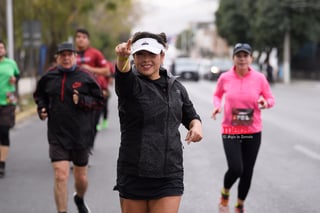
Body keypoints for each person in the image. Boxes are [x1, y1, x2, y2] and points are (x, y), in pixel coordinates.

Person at [113, 31, 203, 213]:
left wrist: (196, 126)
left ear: (162, 56)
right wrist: (122, 58)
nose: (146, 60)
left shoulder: (176, 88)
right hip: (134, 172)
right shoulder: (131, 84)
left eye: (151, 54)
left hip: (169, 173)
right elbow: (123, 73)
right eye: (140, 54)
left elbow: (191, 116)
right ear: (134, 57)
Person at [33, 42, 104, 213]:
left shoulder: (86, 76)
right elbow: (39, 95)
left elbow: (99, 101)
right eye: (62, 55)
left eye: (69, 54)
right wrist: (42, 108)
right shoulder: (48, 77)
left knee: (81, 178)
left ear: (74, 57)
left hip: (81, 134)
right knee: (60, 175)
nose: (66, 58)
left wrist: (82, 101)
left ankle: (79, 198)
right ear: (57, 57)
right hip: (57, 134)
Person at [211, 43, 275, 213]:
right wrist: (217, 106)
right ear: (233, 58)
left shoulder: (260, 78)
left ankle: (239, 205)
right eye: (238, 55)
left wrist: (265, 103)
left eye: (245, 55)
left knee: (247, 171)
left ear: (251, 58)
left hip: (252, 131)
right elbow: (217, 95)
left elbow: (270, 98)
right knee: (236, 168)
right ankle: (225, 194)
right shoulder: (225, 77)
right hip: (230, 130)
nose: (242, 59)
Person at [74, 28, 112, 137]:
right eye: (78, 37)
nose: (81, 39)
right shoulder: (70, 54)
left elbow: (107, 70)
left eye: (84, 37)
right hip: (74, 91)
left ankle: (87, 143)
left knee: (92, 122)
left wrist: (90, 69)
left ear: (88, 40)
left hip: (92, 93)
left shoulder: (95, 53)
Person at [0, 40, 20, 178]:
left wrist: (15, 79)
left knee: (4, 130)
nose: (0, 49)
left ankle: (2, 163)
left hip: (8, 101)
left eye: (1, 47)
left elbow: (17, 75)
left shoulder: (11, 63)